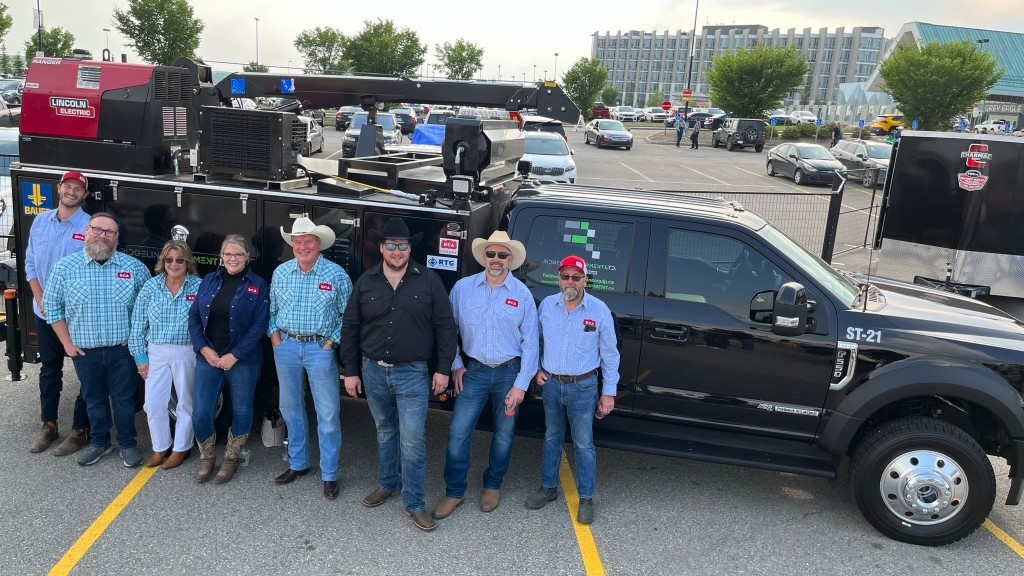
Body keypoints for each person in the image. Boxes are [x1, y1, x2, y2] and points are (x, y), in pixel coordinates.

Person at [341, 217, 457, 532]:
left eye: (401, 246)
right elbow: (350, 327)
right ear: (381, 248)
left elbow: (445, 328)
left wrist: (443, 368)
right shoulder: (366, 281)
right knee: (385, 431)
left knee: (414, 439)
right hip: (373, 372)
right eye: (390, 245)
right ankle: (387, 484)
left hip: (413, 374)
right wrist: (350, 371)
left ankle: (415, 503)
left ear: (409, 248)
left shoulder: (429, 281)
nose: (396, 251)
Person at [431, 231, 539, 521]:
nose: (496, 259)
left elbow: (531, 342)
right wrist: (455, 364)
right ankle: (454, 491)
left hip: (510, 372)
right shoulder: (463, 289)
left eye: (502, 255)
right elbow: (447, 331)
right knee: (458, 433)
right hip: (474, 371)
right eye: (491, 254)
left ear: (511, 260)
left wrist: (521, 384)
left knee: (503, 435)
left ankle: (493, 485)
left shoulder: (522, 295)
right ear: (484, 258)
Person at [43, 212, 151, 467]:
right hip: (85, 352)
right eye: (98, 229)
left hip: (122, 351)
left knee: (124, 400)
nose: (103, 235)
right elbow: (52, 308)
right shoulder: (65, 268)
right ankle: (99, 443)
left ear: (116, 238)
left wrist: (137, 339)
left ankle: (127, 444)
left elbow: (148, 308)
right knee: (94, 400)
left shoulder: (133, 268)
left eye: (109, 232)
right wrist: (67, 344)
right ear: (87, 231)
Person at [525, 255, 620, 525]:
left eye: (576, 277)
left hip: (584, 387)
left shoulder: (599, 310)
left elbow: (610, 355)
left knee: (583, 444)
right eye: (565, 276)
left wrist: (608, 392)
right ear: (559, 278)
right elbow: (535, 342)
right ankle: (548, 487)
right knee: (552, 437)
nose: (570, 282)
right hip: (552, 385)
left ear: (585, 280)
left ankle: (587, 497)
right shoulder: (546, 306)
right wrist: (536, 370)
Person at [269, 217, 352, 500]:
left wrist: (331, 342)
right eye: (297, 241)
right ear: (292, 244)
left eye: (307, 241)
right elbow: (271, 310)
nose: (302, 246)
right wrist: (275, 337)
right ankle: (298, 464)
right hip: (286, 346)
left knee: (327, 414)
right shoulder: (281, 272)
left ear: (318, 244)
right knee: (290, 407)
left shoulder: (336, 275)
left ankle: (329, 474)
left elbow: (348, 316)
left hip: (319, 349)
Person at [188, 235, 269, 484]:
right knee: (201, 411)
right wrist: (203, 349)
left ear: (247, 257)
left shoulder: (258, 284)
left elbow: (260, 325)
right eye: (228, 254)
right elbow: (193, 318)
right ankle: (207, 456)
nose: (233, 259)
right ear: (221, 257)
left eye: (238, 255)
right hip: (209, 357)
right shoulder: (210, 281)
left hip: (242, 360)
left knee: (242, 408)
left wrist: (235, 355)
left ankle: (231, 457)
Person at [24, 171, 92, 456]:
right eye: (68, 186)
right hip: (44, 313)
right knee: (50, 369)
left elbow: (92, 273)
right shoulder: (40, 221)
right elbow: (30, 264)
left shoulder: (90, 226)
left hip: (76, 316)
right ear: (59, 188)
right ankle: (48, 426)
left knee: (85, 373)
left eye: (78, 189)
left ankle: (80, 431)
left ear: (84, 195)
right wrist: (41, 300)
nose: (72, 192)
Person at [128, 240, 202, 469]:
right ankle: (160, 447)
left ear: (187, 261)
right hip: (156, 351)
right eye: (169, 259)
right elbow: (138, 324)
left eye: (180, 259)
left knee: (186, 403)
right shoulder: (151, 287)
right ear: (163, 261)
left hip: (186, 351)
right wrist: (140, 358)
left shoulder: (199, 286)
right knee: (152, 403)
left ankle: (181, 448)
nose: (174, 264)